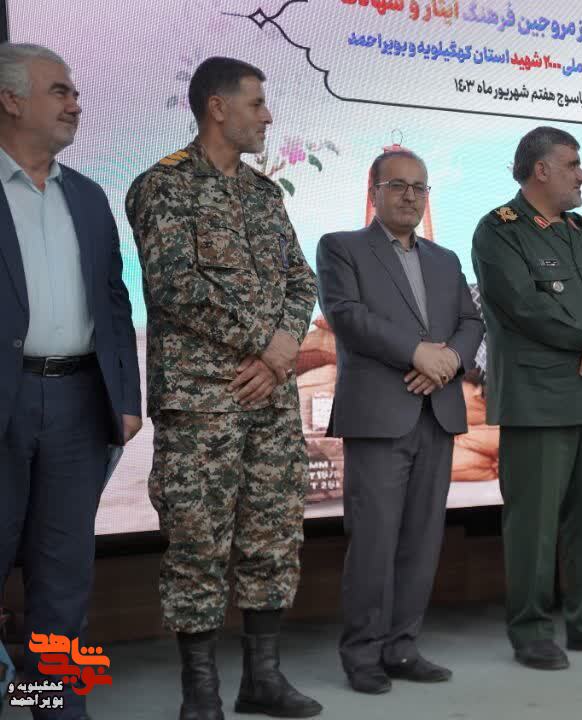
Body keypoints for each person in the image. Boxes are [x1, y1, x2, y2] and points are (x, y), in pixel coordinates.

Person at [126, 57, 321, 719]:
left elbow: (301, 281)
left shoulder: (265, 195)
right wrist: (265, 342)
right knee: (197, 543)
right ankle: (200, 692)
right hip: (201, 402)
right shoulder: (163, 186)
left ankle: (262, 679)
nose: (267, 116)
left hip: (270, 397)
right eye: (257, 103)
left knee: (272, 536)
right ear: (218, 107)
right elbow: (174, 285)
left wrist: (281, 352)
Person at [0, 42, 142, 720]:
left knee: (64, 580)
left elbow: (114, 300)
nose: (75, 103)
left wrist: (127, 397)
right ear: (10, 99)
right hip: (7, 398)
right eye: (59, 90)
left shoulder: (86, 195)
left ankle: (55, 709)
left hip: (79, 403)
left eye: (75, 92)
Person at [471, 126, 582, 670]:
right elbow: (524, 307)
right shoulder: (500, 231)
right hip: (539, 401)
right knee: (534, 526)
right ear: (540, 170)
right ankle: (531, 630)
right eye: (572, 164)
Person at [317, 149, 484, 694]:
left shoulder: (445, 259)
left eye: (419, 187)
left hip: (437, 413)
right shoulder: (341, 247)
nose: (410, 196)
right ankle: (362, 654)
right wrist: (418, 353)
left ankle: (402, 647)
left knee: (421, 540)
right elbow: (347, 316)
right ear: (374, 193)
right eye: (397, 185)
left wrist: (449, 361)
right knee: (374, 542)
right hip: (379, 417)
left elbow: (470, 321)